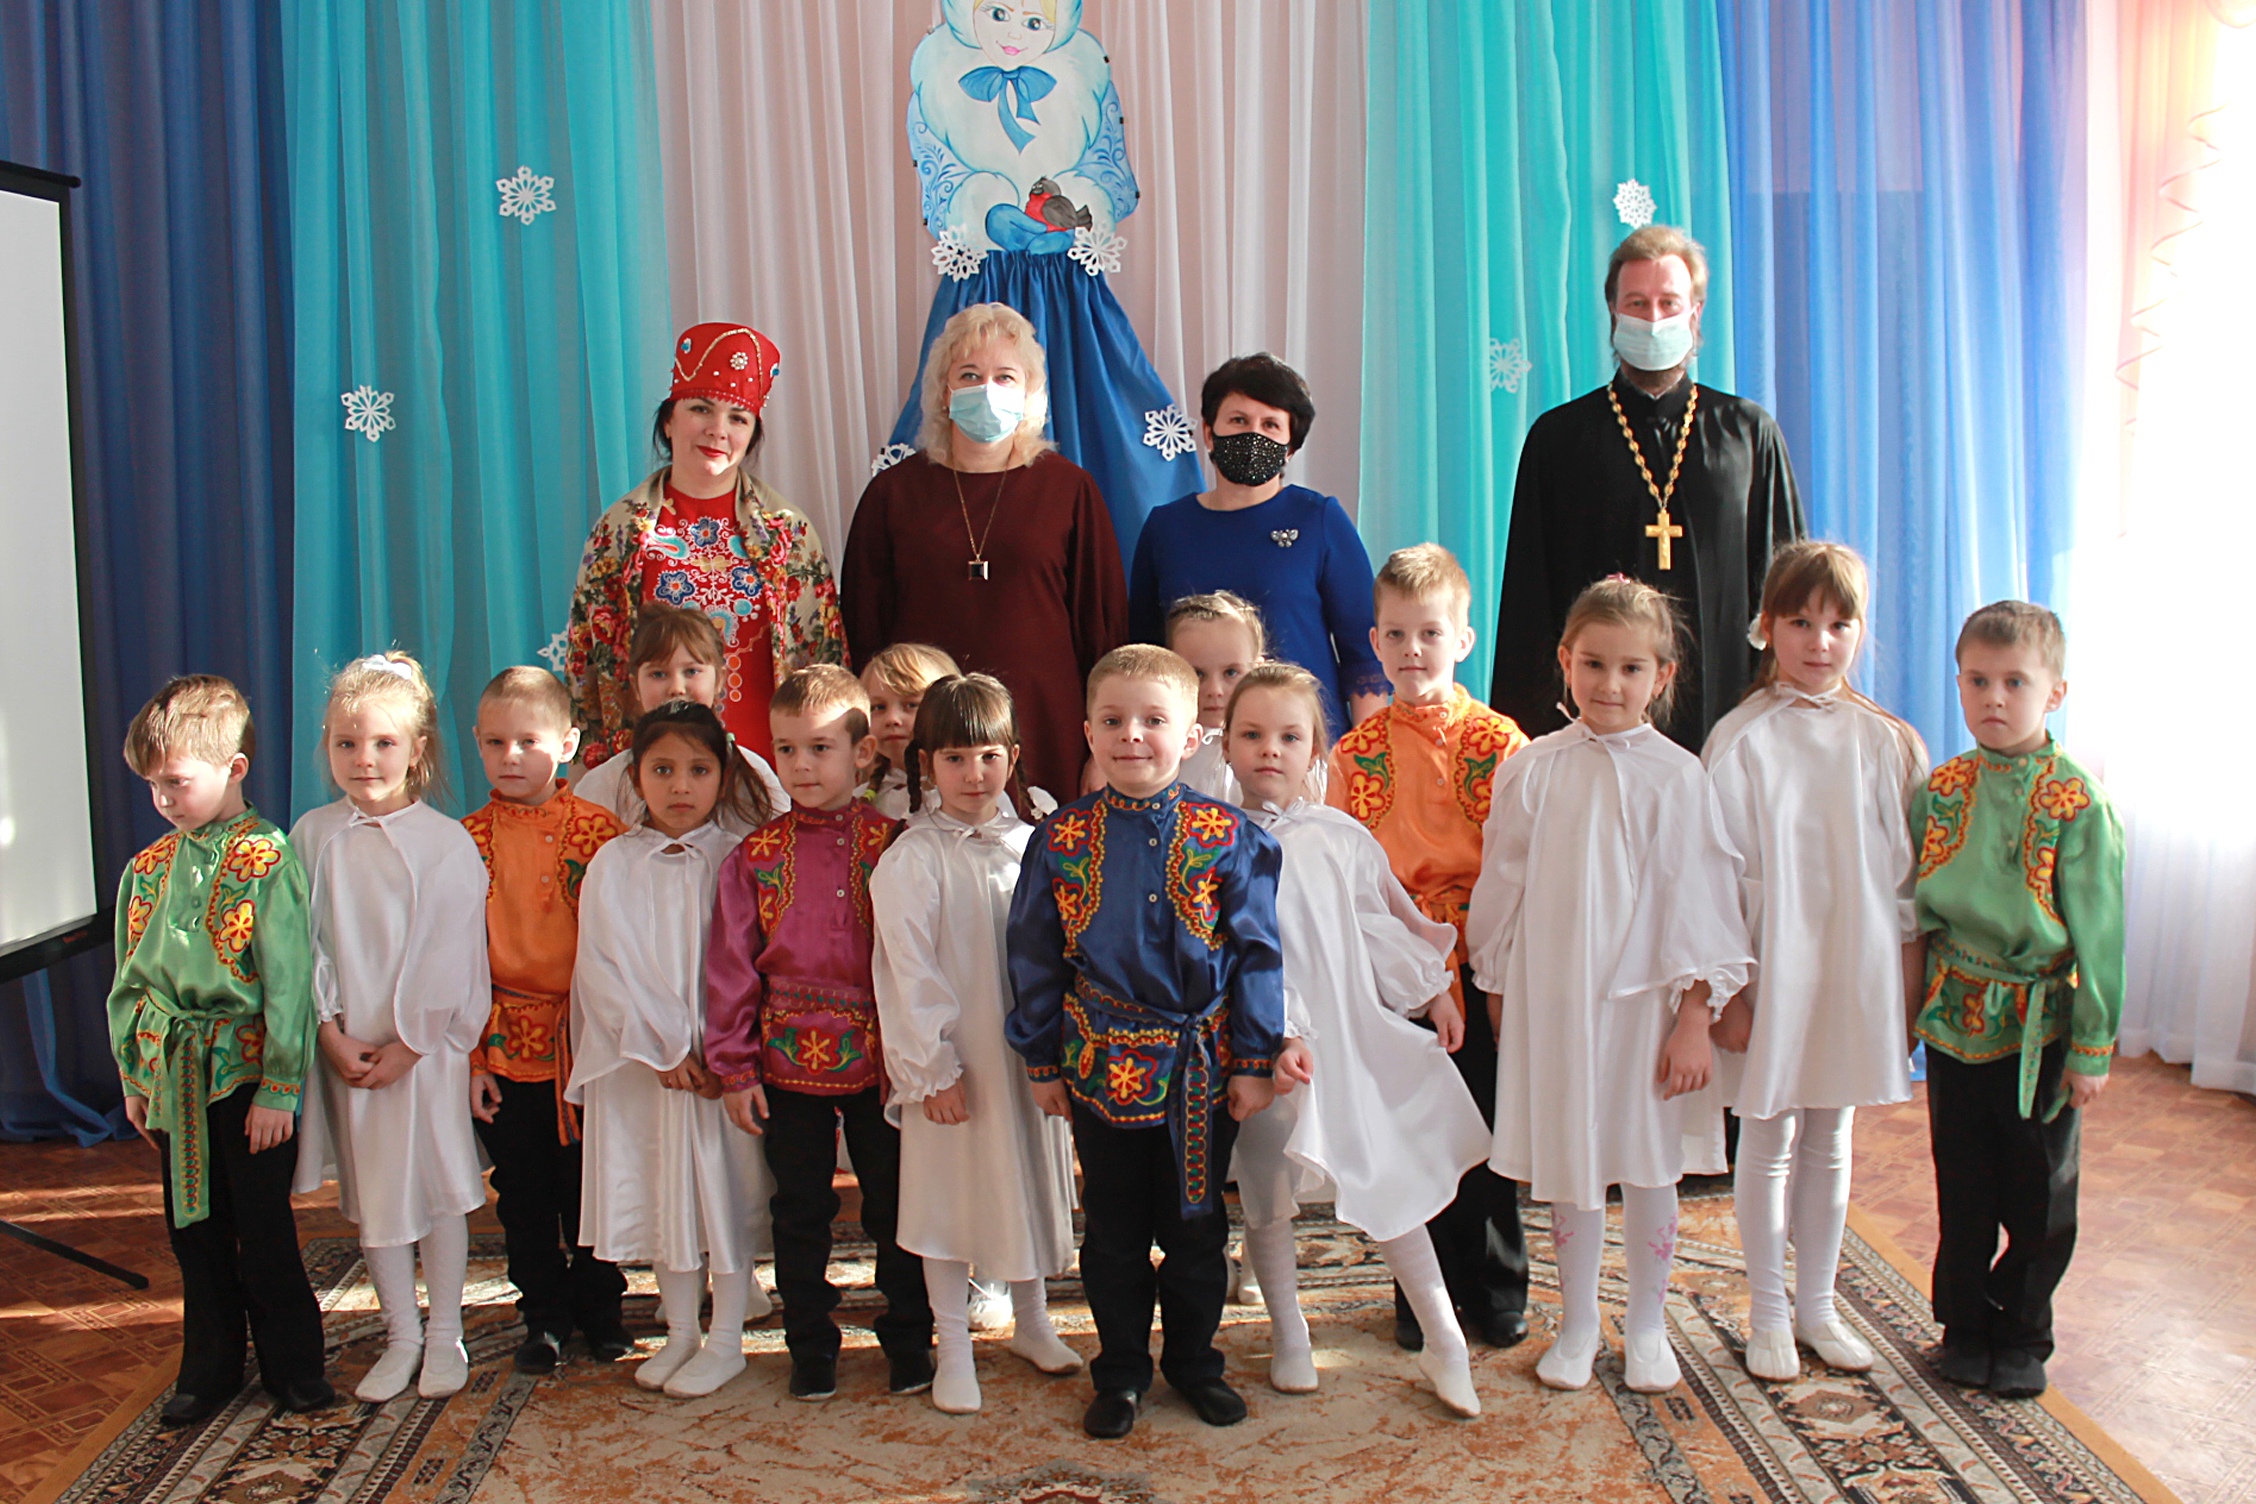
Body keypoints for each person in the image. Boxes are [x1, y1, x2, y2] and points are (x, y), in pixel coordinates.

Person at [1466, 578, 1751, 1394]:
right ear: (1565, 661)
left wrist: (1695, 1017)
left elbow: (1704, 902)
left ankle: (1649, 1325)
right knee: (1573, 1155)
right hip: (1557, 998)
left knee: (1649, 1161)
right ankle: (1580, 1322)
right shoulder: (1532, 770)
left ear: (1662, 676)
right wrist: (1497, 985)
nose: (1610, 685)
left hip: (1649, 1009)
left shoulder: (1680, 777)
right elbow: (1503, 883)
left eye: (1631, 669)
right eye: (1593, 664)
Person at [1006, 645, 1286, 1441]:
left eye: (1154, 720)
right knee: (1115, 1231)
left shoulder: (1230, 837)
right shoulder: (1060, 839)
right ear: (1088, 732)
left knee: (1196, 1228)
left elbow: (1259, 955)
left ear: (1192, 736)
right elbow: (1033, 955)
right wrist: (1041, 1056)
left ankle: (1196, 1365)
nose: (1133, 735)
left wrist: (1255, 1061)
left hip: (1202, 1069)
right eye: (1114, 720)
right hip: (1100, 1068)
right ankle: (1122, 1371)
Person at [1221, 664, 1488, 1419]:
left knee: (1385, 1178)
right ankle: (1289, 1332)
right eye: (1252, 734)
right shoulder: (1214, 843)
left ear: (1316, 750)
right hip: (1261, 1050)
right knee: (1268, 1192)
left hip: (1343, 1039)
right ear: (1227, 744)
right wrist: (1267, 1039)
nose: (1269, 750)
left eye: (1289, 736)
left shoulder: (1338, 836)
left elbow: (1382, 922)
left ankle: (1443, 1337)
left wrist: (1431, 988)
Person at [1702, 544, 1927, 1382]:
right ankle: (1766, 1311)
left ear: (1861, 631)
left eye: (1839, 624)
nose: (1820, 642)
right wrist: (1729, 992)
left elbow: (1907, 886)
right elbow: (1713, 879)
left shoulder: (1890, 744)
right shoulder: (1739, 739)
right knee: (1767, 1135)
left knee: (1832, 1135)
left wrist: (1905, 994)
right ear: (1767, 626)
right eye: (1800, 621)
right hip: (1771, 965)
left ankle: (1818, 1307)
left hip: (1855, 966)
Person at [1910, 602, 2123, 1400]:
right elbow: (1917, 915)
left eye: (2014, 682)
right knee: (1963, 1183)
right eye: (1977, 681)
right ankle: (1964, 1325)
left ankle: (2024, 1331)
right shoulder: (1942, 789)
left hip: (2041, 1027)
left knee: (2040, 1193)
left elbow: (2101, 935)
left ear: (2054, 692)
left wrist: (2092, 1045)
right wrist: (1910, 1007)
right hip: (1955, 1019)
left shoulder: (2078, 804)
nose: (1993, 698)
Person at [108, 676, 333, 1426]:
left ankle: (294, 1365)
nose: (164, 800)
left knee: (262, 1228)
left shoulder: (267, 860)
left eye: (176, 782)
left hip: (243, 1075)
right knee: (193, 1231)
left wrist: (280, 1086)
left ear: (234, 768)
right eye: (153, 786)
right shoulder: (146, 870)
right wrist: (135, 1076)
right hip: (173, 1077)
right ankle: (208, 1368)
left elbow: (289, 981)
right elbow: (129, 982)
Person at [1324, 545, 1532, 1354]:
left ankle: (1498, 1286)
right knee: (1415, 1129)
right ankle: (1423, 1294)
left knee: (1488, 1122)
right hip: (1397, 966)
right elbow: (1350, 874)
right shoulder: (1354, 756)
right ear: (1375, 642)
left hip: (1482, 961)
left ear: (1463, 640)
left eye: (1431, 633)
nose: (1414, 650)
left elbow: (1521, 864)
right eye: (1397, 634)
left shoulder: (1502, 743)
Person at [707, 666, 935, 1402]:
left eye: (820, 748)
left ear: (863, 753)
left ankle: (909, 1339)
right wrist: (735, 1067)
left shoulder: (894, 846)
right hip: (784, 1063)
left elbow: (918, 959)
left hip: (880, 1060)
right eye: (787, 749)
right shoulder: (755, 856)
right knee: (799, 1210)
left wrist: (922, 1056)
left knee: (894, 1204)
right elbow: (731, 969)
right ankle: (810, 1346)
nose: (801, 766)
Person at [1490, 225, 1804, 748]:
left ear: (1695, 314)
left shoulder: (1749, 435)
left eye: (1668, 303)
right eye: (1637, 303)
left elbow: (1787, 592)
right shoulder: (1559, 440)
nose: (1653, 319)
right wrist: (1531, 745)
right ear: (1614, 313)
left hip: (1726, 724)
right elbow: (1530, 605)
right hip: (1594, 730)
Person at [870, 675, 1086, 1415]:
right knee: (947, 1199)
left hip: (1023, 1058)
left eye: (989, 756)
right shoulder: (913, 858)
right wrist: (931, 1069)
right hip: (955, 1061)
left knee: (1021, 1181)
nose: (974, 775)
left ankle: (1033, 1321)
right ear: (926, 763)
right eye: (956, 758)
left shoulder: (1031, 846)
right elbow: (908, 971)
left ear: (1013, 758)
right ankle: (954, 1346)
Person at [291, 654, 491, 1403]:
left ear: (417, 749)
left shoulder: (444, 841)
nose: (364, 759)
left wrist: (412, 1043)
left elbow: (453, 952)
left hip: (423, 1054)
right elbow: (302, 944)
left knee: (436, 1188)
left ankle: (446, 1335)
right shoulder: (313, 836)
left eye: (382, 743)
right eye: (346, 743)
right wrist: (329, 1030)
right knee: (376, 1192)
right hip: (351, 1052)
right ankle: (401, 1333)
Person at [569, 701, 776, 1398]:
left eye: (697, 769)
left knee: (725, 1194)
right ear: (636, 777)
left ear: (723, 776)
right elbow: (602, 966)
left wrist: (723, 1051)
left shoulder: (740, 858)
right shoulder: (613, 864)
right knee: (667, 1197)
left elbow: (751, 963)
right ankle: (682, 1331)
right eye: (662, 770)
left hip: (723, 1069)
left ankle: (727, 1339)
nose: (680, 786)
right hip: (647, 1069)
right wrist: (658, 1048)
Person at [843, 302, 1128, 798]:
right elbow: (865, 632)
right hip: (924, 735)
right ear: (944, 390)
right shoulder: (892, 494)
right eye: (970, 375)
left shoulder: (1070, 490)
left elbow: (1103, 631)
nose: (987, 389)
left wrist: (1103, 750)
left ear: (1030, 392)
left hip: (1046, 728)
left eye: (1005, 377)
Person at [566, 322, 847, 768]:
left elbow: (825, 661)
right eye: (701, 408)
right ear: (668, 420)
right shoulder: (620, 532)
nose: (718, 430)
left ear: (752, 436)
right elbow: (588, 667)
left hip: (769, 770)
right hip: (659, 772)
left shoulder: (788, 532)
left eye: (738, 418)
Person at [460, 668, 631, 1375]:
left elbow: (624, 944)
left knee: (590, 1184)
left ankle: (603, 1311)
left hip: (585, 1041)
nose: (511, 757)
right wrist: (474, 1059)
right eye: (496, 742)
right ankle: (543, 1317)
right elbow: (455, 961)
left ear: (566, 744)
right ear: (477, 743)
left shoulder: (602, 834)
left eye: (528, 741)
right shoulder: (465, 842)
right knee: (523, 1193)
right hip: (505, 1046)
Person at [1128, 354, 1387, 734]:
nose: (1253, 436)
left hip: (1307, 744)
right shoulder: (1165, 528)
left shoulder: (1320, 519)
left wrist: (1365, 756)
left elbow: (1365, 658)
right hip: (1193, 746)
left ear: (1290, 446)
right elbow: (1144, 654)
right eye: (1239, 420)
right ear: (1209, 432)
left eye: (1270, 424)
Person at [575, 604, 787, 828]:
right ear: (636, 686)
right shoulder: (603, 784)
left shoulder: (752, 774)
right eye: (658, 674)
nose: (676, 688)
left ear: (719, 680)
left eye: (691, 671)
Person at [1166, 591, 1262, 804]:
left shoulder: (1278, 743)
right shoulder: (1162, 744)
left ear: (1258, 671)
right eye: (1198, 674)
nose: (1215, 690)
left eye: (1231, 673)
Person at [861, 642, 962, 819]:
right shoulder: (858, 803)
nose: (892, 719)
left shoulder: (976, 792)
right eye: (878, 707)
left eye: (911, 705)